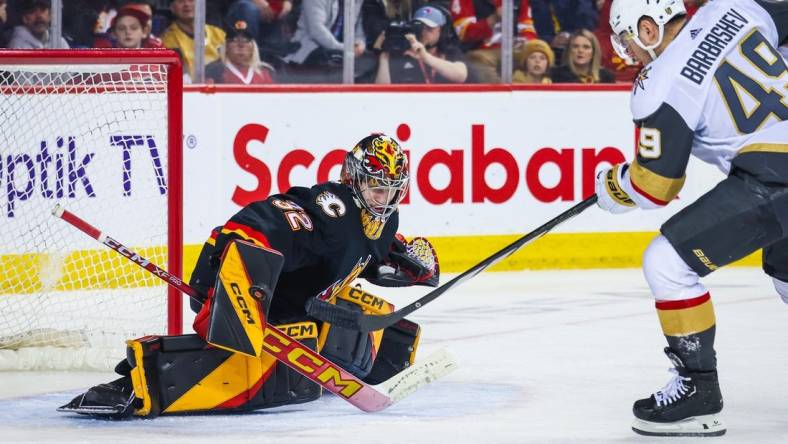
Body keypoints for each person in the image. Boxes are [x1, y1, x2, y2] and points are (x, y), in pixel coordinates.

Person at [58, 134, 440, 418]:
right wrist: (227, 277)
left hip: (302, 309)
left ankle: (379, 360)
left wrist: (403, 262)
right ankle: (140, 383)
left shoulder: (383, 221)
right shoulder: (333, 210)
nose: (384, 200)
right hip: (253, 296)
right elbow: (268, 219)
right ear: (353, 179)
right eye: (376, 189)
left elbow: (369, 252)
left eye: (392, 191)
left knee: (361, 321)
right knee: (253, 376)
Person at [595, 0, 787, 436]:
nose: (629, 54)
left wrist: (617, 186)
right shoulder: (733, 7)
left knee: (667, 263)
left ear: (649, 28)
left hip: (776, 178)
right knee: (785, 271)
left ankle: (698, 392)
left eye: (628, 40)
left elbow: (656, 185)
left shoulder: (660, 82)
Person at [375, 5, 468, 84]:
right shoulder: (405, 51)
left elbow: (461, 75)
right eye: (419, 27)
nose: (423, 33)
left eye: (429, 28)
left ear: (442, 31)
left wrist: (426, 57)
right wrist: (384, 57)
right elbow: (381, 92)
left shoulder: (450, 51)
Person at [450, 0, 537, 83]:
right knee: (479, 60)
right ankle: (501, 95)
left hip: (512, 49)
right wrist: (493, 18)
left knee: (537, 54)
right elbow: (465, 33)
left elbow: (528, 29)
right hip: (480, 51)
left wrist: (525, 42)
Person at [285, 0, 367, 83]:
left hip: (341, 55)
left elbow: (359, 32)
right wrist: (344, 48)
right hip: (310, 52)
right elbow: (316, 30)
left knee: (369, 63)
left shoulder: (357, 1)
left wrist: (360, 44)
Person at [161, 0, 226, 80]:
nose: (186, 4)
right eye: (180, 1)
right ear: (172, 8)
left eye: (191, 0)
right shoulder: (167, 40)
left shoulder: (218, 34)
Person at [206, 20, 276, 84]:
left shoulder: (266, 72)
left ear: (253, 47)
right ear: (226, 46)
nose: (241, 45)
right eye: (234, 40)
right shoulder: (214, 71)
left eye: (246, 40)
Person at [550, 29, 614, 83]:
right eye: (575, 46)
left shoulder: (606, 77)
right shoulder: (557, 75)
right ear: (569, 50)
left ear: (594, 52)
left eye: (586, 47)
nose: (580, 51)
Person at [93, 4, 164, 49]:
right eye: (121, 28)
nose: (128, 32)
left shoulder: (155, 55)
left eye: (134, 28)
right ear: (114, 33)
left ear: (144, 32)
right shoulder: (104, 57)